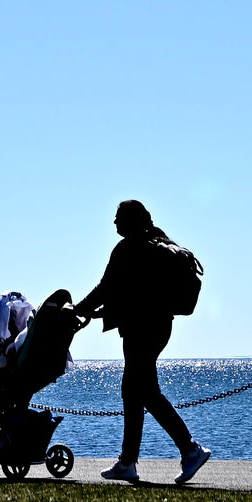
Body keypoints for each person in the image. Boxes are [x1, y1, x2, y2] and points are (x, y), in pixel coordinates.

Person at [71, 200, 211, 485]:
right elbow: (129, 292)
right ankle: (128, 462)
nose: (114, 223)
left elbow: (106, 288)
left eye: (118, 218)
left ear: (131, 220)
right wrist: (98, 312)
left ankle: (189, 449)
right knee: (133, 392)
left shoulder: (128, 249)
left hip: (141, 329)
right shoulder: (153, 243)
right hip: (157, 327)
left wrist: (76, 310)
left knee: (145, 391)